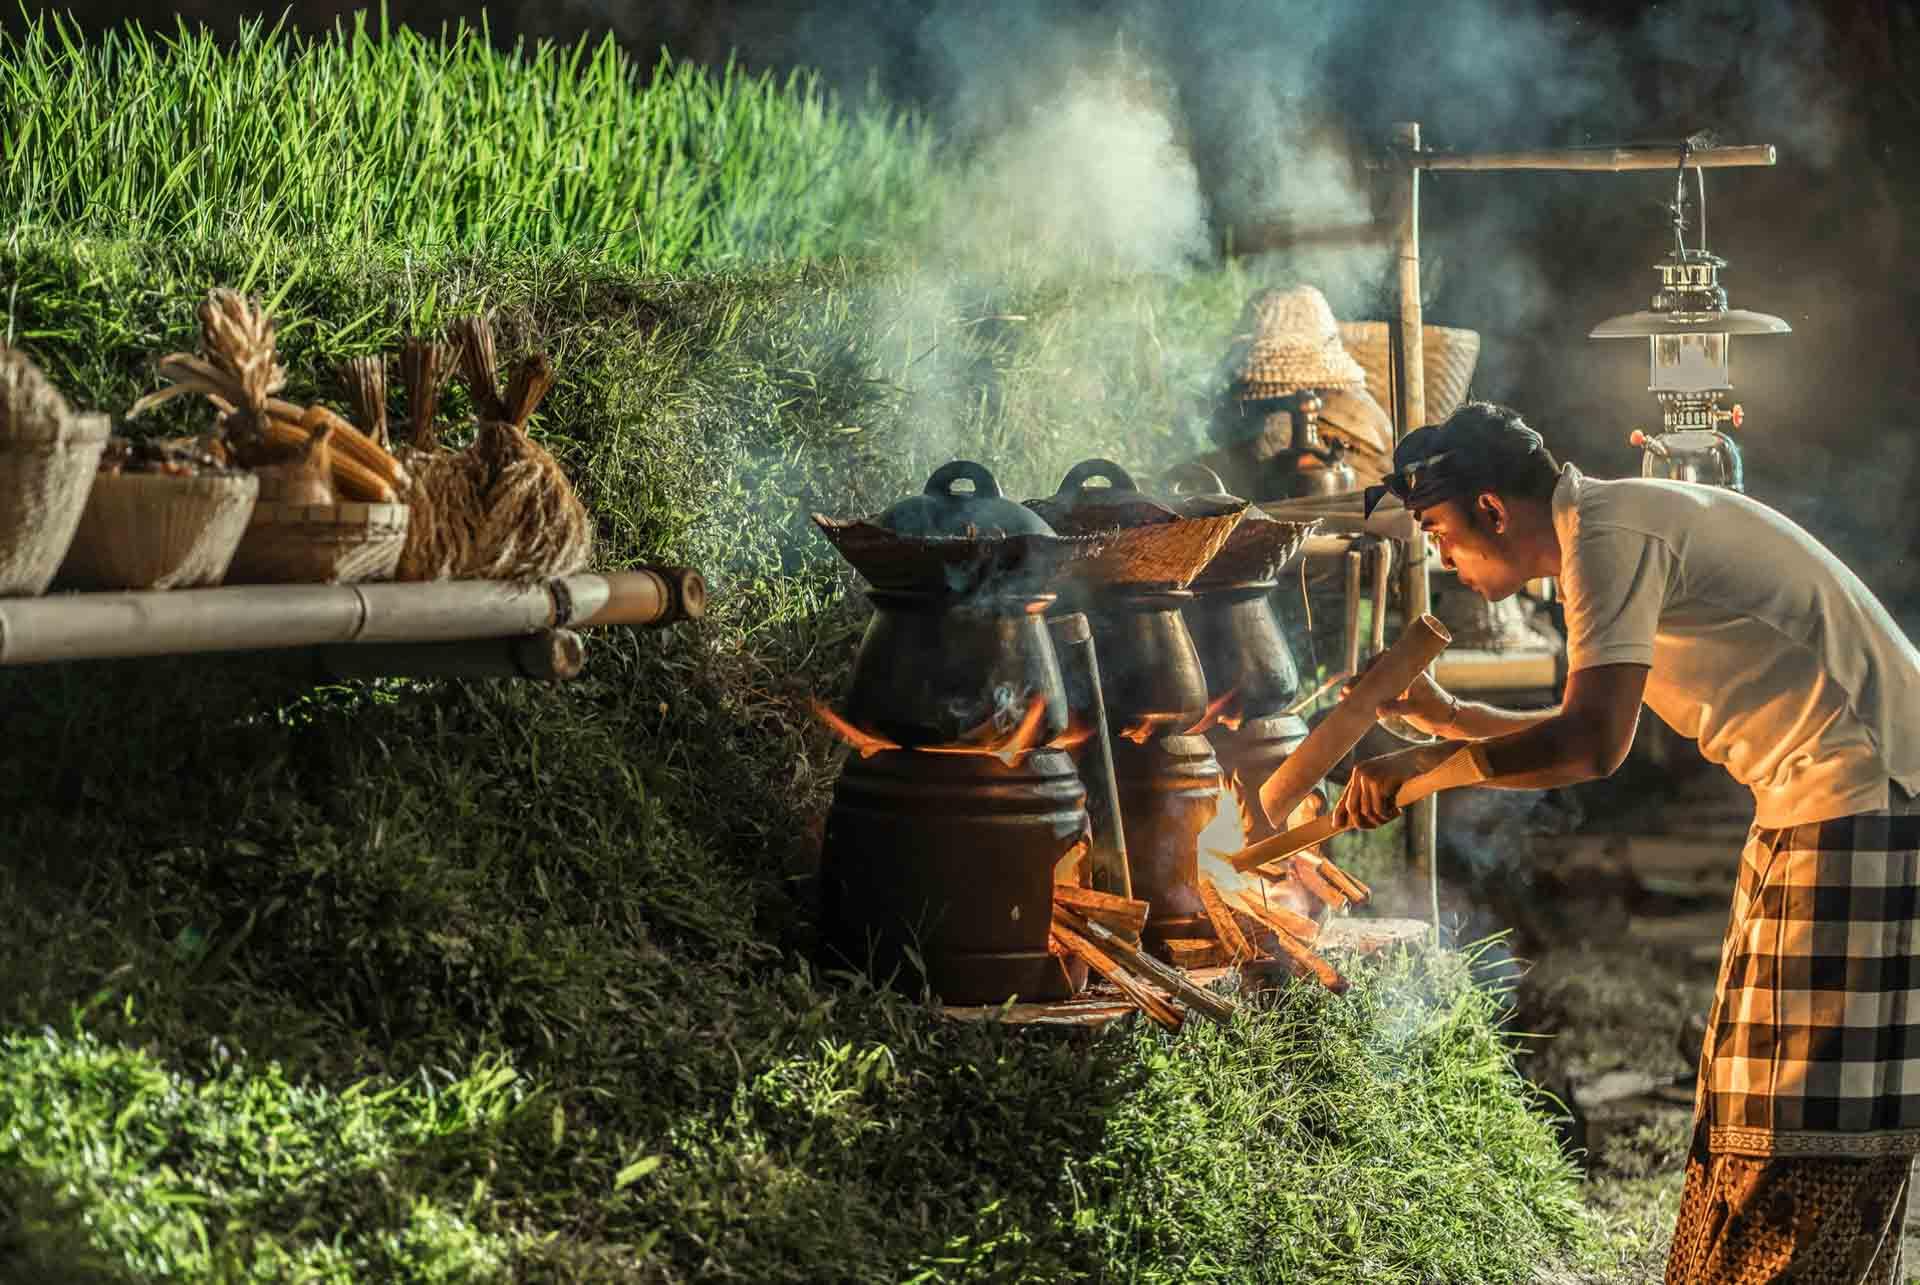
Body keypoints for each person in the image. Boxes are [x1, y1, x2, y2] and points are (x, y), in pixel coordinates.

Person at [1340, 401, 1920, 1284]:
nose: (1440, 555)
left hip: (1866, 794)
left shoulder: (1606, 536)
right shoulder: (1604, 528)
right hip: (1816, 798)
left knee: (1807, 1110)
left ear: (1493, 508)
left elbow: (1588, 746)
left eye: (1439, 530)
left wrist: (1426, 765)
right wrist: (1452, 719)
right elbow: (1580, 721)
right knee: (1750, 1093)